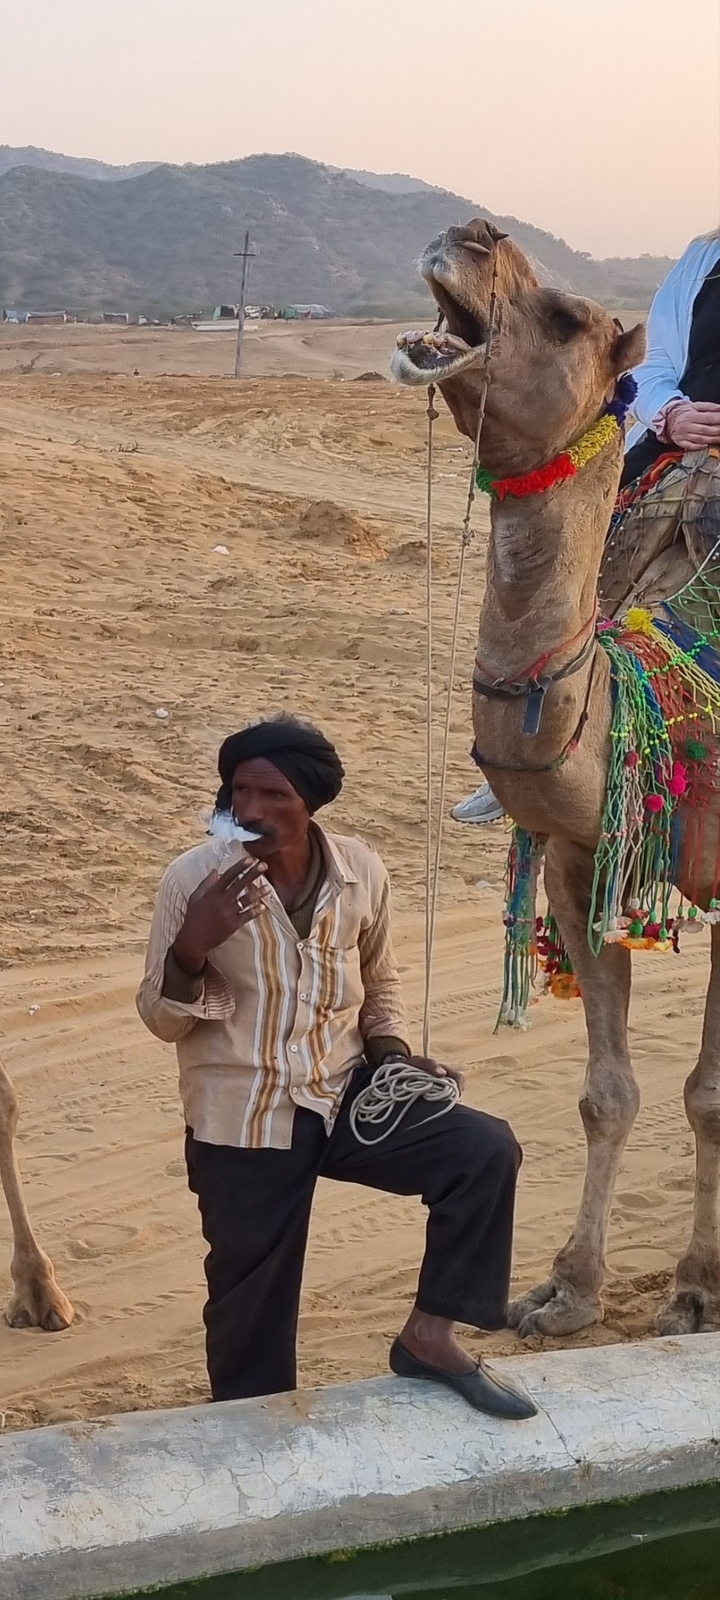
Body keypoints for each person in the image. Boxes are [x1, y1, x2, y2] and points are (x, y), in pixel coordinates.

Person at [137, 713, 535, 1420]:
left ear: (311, 802)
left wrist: (391, 1056)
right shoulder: (192, 881)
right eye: (239, 793)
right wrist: (191, 950)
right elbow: (162, 1019)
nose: (252, 810)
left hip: (345, 1093)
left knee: (483, 1150)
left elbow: (380, 982)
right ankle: (254, 1438)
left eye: (273, 795)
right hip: (244, 1116)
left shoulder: (361, 872)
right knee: (249, 1311)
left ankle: (429, 1336)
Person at [453, 227, 720, 824]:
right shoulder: (706, 258)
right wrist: (671, 414)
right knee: (573, 593)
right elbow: (654, 366)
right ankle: (529, 762)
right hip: (672, 464)